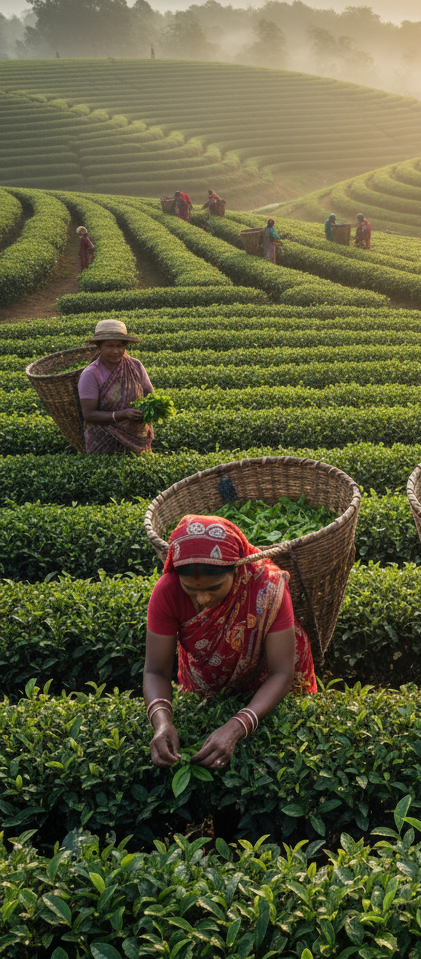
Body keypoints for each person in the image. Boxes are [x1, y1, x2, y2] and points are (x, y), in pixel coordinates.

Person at [144, 515, 317, 770]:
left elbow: (281, 673)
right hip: (208, 679)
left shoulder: (266, 587)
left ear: (236, 570)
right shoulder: (167, 591)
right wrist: (161, 722)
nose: (202, 599)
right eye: (191, 589)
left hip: (266, 677)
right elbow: (155, 670)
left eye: (214, 587)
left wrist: (237, 726)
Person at [77, 319, 154, 454]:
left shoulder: (135, 366)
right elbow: (89, 414)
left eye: (120, 346)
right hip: (104, 439)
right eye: (110, 346)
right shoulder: (91, 374)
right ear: (99, 347)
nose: (115, 351)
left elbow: (149, 394)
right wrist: (122, 415)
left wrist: (146, 411)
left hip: (137, 437)